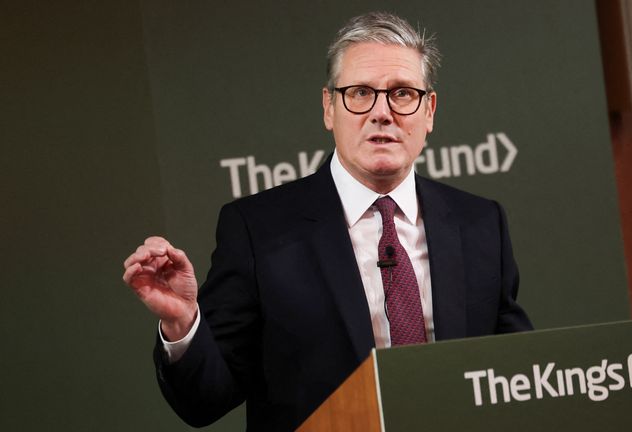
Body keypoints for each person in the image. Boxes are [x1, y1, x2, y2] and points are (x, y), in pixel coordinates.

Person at [123, 11, 532, 431]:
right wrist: (182, 323)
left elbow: (517, 379)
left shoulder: (480, 223)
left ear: (429, 111)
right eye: (359, 93)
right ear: (328, 108)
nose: (382, 113)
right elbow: (204, 400)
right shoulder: (257, 230)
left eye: (403, 93)